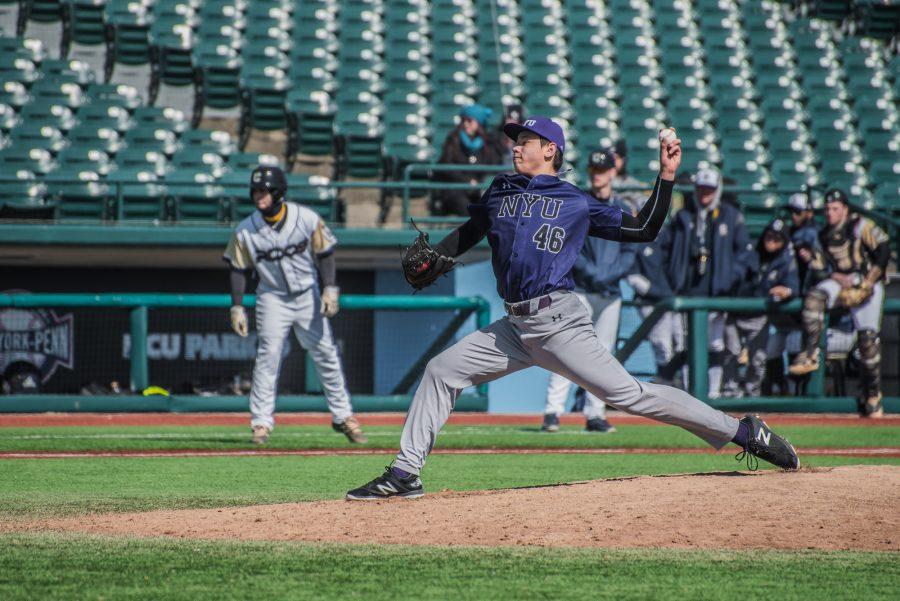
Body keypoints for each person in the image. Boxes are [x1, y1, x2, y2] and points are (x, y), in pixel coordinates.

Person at [345, 117, 799, 500]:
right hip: (514, 326)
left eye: (524, 141)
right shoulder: (500, 190)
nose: (516, 147)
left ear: (550, 150)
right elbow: (469, 232)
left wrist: (665, 176)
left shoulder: (575, 201)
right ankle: (405, 474)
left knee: (628, 397)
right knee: (442, 370)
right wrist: (437, 256)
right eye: (515, 140)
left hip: (559, 321)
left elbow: (642, 228)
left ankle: (742, 432)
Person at [223, 166, 367, 445]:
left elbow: (325, 253)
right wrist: (237, 306)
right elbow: (237, 269)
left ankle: (344, 416)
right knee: (268, 357)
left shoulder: (306, 218)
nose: (258, 196)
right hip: (272, 297)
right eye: (255, 191)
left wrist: (330, 288)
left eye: (263, 191)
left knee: (326, 353)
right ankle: (261, 423)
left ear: (278, 192)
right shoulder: (245, 230)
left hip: (306, 294)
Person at [541, 148, 636, 433]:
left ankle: (595, 414)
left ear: (612, 172)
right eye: (594, 171)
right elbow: (569, 247)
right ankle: (552, 412)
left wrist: (610, 274)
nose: (598, 176)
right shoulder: (577, 203)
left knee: (603, 355)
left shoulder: (623, 208)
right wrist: (595, 274)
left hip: (609, 291)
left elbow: (631, 250)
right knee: (564, 349)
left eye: (603, 170)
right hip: (581, 288)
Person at [789, 188, 890, 418]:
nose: (830, 213)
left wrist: (868, 280)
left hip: (867, 281)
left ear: (845, 209)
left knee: (867, 340)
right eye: (827, 209)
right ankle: (811, 352)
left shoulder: (860, 225)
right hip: (841, 280)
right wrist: (836, 277)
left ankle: (873, 395)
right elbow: (820, 269)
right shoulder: (823, 234)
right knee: (815, 297)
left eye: (835, 209)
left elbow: (883, 251)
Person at [661, 168, 754, 398]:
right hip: (688, 290)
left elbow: (745, 255)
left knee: (714, 344)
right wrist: (673, 278)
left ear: (718, 190)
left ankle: (711, 394)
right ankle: (686, 393)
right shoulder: (683, 216)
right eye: (701, 189)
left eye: (710, 190)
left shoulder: (730, 216)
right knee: (684, 345)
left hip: (717, 292)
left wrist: (730, 276)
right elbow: (666, 250)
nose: (705, 194)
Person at [721, 218, 800, 397]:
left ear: (784, 241)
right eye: (769, 235)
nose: (771, 240)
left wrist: (786, 290)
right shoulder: (751, 252)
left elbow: (793, 286)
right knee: (730, 354)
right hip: (736, 313)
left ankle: (752, 394)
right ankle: (730, 392)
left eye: (777, 238)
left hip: (759, 316)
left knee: (757, 360)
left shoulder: (786, 260)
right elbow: (735, 273)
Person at [627, 228, 684, 387]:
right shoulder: (635, 240)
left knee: (684, 345)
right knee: (663, 346)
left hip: (679, 300)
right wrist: (658, 293)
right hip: (652, 303)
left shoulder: (672, 236)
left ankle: (686, 387)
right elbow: (633, 278)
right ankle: (667, 386)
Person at [434, 104, 499, 216]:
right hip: (455, 190)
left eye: (469, 120)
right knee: (467, 208)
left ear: (479, 123)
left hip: (479, 190)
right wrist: (467, 181)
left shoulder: (488, 143)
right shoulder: (453, 139)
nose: (465, 124)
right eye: (463, 120)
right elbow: (446, 166)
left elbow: (494, 165)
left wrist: (481, 183)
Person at [611, 139, 649, 213]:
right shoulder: (600, 181)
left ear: (624, 160)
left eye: (616, 158)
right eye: (611, 158)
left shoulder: (631, 183)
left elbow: (643, 204)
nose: (613, 161)